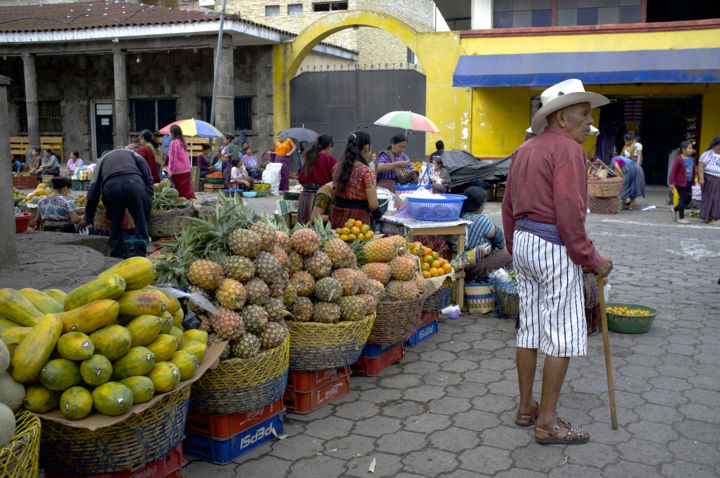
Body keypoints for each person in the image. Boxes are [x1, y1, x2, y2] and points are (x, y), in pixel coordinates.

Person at [502, 79, 613, 445]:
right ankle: (547, 423)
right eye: (582, 115)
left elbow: (508, 208)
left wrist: (516, 247)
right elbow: (569, 216)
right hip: (553, 247)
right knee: (562, 336)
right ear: (561, 117)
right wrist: (591, 259)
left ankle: (525, 407)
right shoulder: (567, 151)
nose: (588, 123)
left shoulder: (524, 149)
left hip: (525, 244)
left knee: (530, 328)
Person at [78, 149, 154, 258]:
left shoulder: (101, 161)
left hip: (112, 188)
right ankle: (140, 256)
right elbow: (148, 178)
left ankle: (116, 258)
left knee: (115, 223)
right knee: (141, 224)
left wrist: (88, 218)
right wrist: (146, 200)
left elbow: (93, 192)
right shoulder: (134, 154)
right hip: (135, 185)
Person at [453, 186, 511, 280]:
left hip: (456, 261)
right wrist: (500, 247)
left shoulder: (458, 215)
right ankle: (492, 282)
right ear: (481, 205)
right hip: (472, 266)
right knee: (509, 252)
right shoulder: (481, 220)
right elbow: (498, 236)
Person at [331, 131, 380, 228]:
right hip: (357, 223)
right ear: (366, 147)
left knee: (337, 242)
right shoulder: (367, 172)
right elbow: (373, 204)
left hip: (337, 217)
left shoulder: (337, 167)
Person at [297, 134, 337, 224]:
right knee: (318, 231)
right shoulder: (330, 159)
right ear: (330, 146)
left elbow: (301, 178)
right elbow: (336, 179)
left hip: (305, 198)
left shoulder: (310, 157)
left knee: (302, 230)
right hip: (321, 199)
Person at [668, 141, 697, 224]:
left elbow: (694, 170)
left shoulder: (692, 159)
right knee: (683, 199)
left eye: (691, 148)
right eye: (689, 148)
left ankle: (674, 209)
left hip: (688, 182)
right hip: (680, 183)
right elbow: (673, 172)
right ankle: (681, 218)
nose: (691, 150)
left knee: (688, 199)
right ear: (683, 150)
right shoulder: (678, 159)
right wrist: (671, 183)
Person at [167, 125, 195, 200]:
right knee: (188, 192)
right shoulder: (182, 142)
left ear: (173, 133)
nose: (169, 134)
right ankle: (192, 208)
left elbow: (173, 158)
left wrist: (170, 171)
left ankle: (183, 210)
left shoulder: (174, 143)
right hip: (186, 170)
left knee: (180, 194)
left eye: (169, 132)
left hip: (178, 172)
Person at [698, 135, 720, 225]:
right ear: (714, 145)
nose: (719, 147)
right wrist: (701, 178)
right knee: (710, 199)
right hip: (710, 179)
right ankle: (709, 217)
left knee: (718, 200)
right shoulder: (707, 154)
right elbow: (701, 166)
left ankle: (716, 217)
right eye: (718, 145)